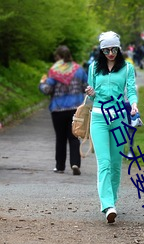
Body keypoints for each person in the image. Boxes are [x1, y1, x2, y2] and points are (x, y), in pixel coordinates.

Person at [85, 31, 138, 223]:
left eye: (114, 49)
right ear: (101, 50)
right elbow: (91, 97)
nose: (110, 53)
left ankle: (113, 201)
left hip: (119, 119)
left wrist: (133, 104)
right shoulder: (93, 68)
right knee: (104, 163)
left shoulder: (127, 68)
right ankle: (107, 205)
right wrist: (90, 92)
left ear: (119, 48)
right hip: (99, 118)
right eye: (106, 50)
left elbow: (131, 90)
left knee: (116, 164)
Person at [39, 45, 88, 175]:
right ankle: (75, 163)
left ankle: (60, 166)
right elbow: (86, 87)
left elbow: (47, 90)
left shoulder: (54, 71)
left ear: (58, 57)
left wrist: (42, 83)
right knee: (74, 137)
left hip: (58, 109)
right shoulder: (79, 70)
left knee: (60, 138)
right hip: (75, 109)